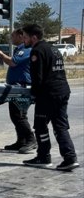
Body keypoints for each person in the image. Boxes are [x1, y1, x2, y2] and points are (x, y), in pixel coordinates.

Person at [21, 23, 78, 170]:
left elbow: (37, 78)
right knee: (60, 126)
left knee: (40, 126)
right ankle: (70, 157)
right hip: (62, 91)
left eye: (26, 37)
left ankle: (44, 157)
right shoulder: (53, 49)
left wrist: (33, 94)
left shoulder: (37, 51)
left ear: (34, 37)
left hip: (48, 94)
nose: (24, 40)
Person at [0, 28, 35, 153]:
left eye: (13, 36)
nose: (11, 39)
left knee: (19, 115)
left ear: (21, 36)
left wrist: (0, 54)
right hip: (15, 87)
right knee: (15, 115)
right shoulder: (19, 49)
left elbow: (12, 62)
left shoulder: (26, 49)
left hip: (22, 87)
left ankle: (31, 140)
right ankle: (21, 141)